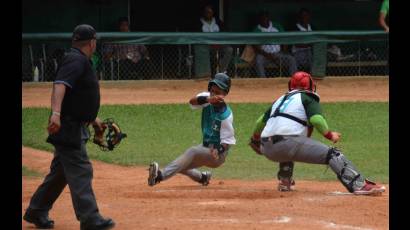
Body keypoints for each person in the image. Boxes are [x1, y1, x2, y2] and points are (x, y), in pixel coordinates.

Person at [23, 25, 115, 230]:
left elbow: (76, 99)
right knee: (81, 169)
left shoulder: (77, 59)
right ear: (92, 43)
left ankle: (36, 211)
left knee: (61, 173)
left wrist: (93, 119)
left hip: (74, 124)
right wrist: (55, 114)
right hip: (69, 127)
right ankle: (90, 218)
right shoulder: (75, 60)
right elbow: (60, 84)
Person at [249, 71, 386, 195]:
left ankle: (285, 181)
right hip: (288, 144)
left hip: (266, 146)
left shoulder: (280, 100)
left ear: (291, 85)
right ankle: (359, 185)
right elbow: (316, 119)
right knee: (333, 154)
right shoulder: (308, 97)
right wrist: (330, 134)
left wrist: (255, 139)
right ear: (310, 86)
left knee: (291, 144)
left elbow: (259, 122)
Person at [148, 73, 236, 187]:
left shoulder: (226, 115)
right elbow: (192, 102)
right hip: (204, 147)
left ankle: (159, 176)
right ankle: (202, 178)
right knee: (181, 163)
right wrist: (208, 99)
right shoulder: (207, 98)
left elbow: (228, 141)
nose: (214, 94)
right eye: (212, 91)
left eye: (218, 92)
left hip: (218, 155)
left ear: (225, 94)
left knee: (192, 152)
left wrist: (218, 150)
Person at [253, 11, 298, 78]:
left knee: (291, 59)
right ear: (259, 20)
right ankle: (262, 81)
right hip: (264, 55)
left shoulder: (277, 26)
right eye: (262, 18)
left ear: (269, 18)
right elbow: (256, 47)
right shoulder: (256, 29)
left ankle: (295, 79)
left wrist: (283, 52)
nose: (264, 20)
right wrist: (267, 55)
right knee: (258, 60)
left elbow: (285, 39)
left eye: (265, 18)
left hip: (278, 53)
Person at [198, 5, 233, 75]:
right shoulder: (199, 22)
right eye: (207, 12)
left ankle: (222, 71)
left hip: (219, 44)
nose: (208, 14)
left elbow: (225, 32)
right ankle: (206, 74)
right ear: (203, 13)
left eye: (210, 12)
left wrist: (219, 42)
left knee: (229, 49)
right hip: (206, 46)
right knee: (206, 52)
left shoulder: (217, 21)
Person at [292, 8, 314, 73]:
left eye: (306, 15)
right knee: (309, 54)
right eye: (303, 15)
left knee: (313, 55)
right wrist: (310, 44)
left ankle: (314, 77)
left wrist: (311, 45)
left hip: (309, 51)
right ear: (299, 17)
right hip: (298, 52)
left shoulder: (312, 27)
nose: (305, 17)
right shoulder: (294, 27)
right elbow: (297, 44)